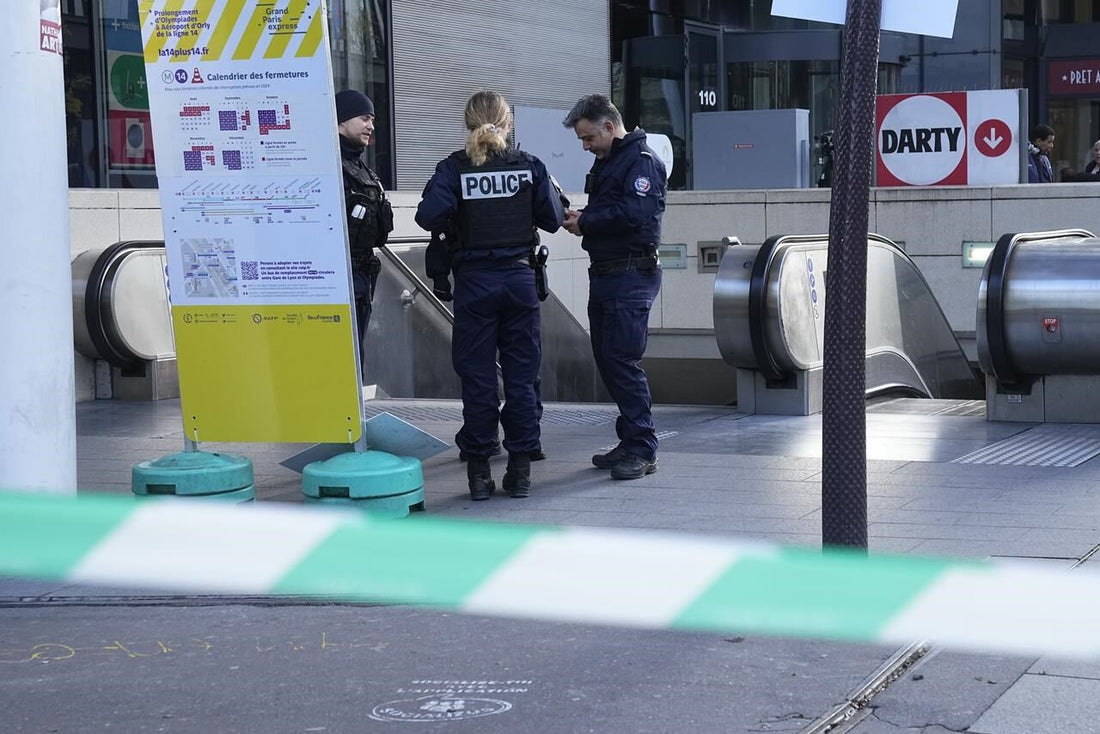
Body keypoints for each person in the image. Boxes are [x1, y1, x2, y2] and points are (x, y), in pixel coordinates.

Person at [416, 90, 564, 501]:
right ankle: (519, 472)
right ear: (508, 123)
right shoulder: (528, 165)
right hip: (519, 282)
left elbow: (427, 215)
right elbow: (552, 219)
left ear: (468, 123)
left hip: (475, 284)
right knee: (520, 378)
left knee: (478, 378)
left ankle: (480, 473)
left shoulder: (454, 168)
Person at [561, 94, 666, 481]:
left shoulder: (641, 163)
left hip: (630, 274)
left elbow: (635, 214)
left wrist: (588, 222)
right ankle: (629, 438)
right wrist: (585, 216)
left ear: (609, 126)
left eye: (588, 138)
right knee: (608, 360)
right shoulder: (611, 161)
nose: (586, 146)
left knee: (622, 360)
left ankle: (643, 447)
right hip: (607, 272)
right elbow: (614, 210)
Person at [335, 89, 394, 367]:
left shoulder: (360, 167)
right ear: (341, 121)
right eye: (364, 118)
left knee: (354, 357)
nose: (371, 126)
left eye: (372, 119)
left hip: (361, 276)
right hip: (338, 279)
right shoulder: (329, 165)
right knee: (343, 358)